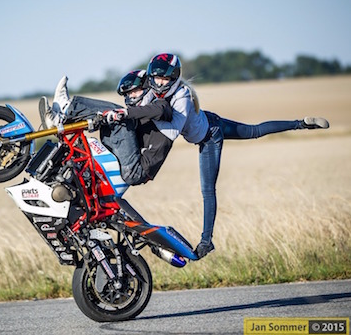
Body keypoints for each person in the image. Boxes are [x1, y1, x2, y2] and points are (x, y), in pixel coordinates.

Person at [140, 53, 330, 260]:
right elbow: (140, 106)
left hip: (210, 137)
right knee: (254, 131)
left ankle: (206, 240)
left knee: (208, 190)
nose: (159, 82)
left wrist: (147, 119)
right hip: (211, 119)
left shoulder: (183, 94)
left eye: (165, 78)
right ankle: (301, 123)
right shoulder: (156, 91)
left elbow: (171, 132)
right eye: (156, 77)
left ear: (174, 77)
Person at [48, 71, 174, 185]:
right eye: (129, 93)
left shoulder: (161, 105)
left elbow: (160, 111)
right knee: (110, 119)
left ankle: (66, 108)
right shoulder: (138, 114)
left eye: (136, 91)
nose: (132, 96)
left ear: (148, 89)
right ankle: (63, 123)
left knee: (119, 117)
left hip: (136, 170)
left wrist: (123, 113)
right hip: (130, 161)